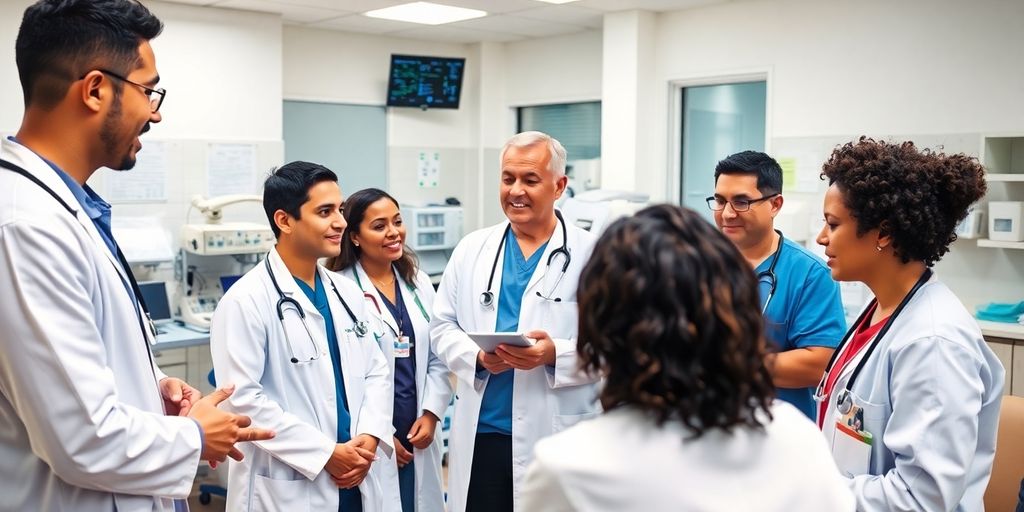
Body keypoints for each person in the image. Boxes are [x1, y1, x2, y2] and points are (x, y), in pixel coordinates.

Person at [0, 1, 274, 510]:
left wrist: (151, 388)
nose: (156, 111)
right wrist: (195, 437)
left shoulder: (65, 208)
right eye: (149, 91)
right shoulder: (26, 226)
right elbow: (82, 439)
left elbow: (73, 378)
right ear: (97, 89)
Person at [518, 204, 854, 511]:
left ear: (601, 325)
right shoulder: (795, 439)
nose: (728, 212)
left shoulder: (569, 466)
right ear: (732, 315)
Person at [815, 137, 1004, 511]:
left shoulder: (933, 342)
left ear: (883, 233)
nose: (822, 238)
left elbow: (921, 500)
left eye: (833, 224)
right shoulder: (883, 310)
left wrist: (812, 491)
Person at [431, 131, 601, 512]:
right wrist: (476, 358)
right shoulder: (472, 249)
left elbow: (620, 345)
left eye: (530, 180)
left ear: (559, 186)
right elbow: (441, 327)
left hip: (558, 436)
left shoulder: (596, 254)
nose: (516, 191)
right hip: (482, 435)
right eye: (508, 179)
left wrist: (555, 352)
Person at [210, 162, 394, 511]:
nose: (340, 221)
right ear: (284, 221)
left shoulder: (347, 292)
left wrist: (369, 438)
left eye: (339, 210)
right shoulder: (245, 301)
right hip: (290, 482)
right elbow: (243, 400)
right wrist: (325, 453)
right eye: (325, 212)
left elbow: (376, 370)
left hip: (356, 471)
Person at [328, 188, 453, 512]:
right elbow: (344, 378)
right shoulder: (339, 290)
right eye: (379, 226)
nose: (394, 232)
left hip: (418, 430)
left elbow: (438, 356)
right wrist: (380, 434)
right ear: (354, 236)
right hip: (373, 437)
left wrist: (431, 412)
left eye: (397, 221)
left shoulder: (419, 282)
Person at [710, 150, 846, 420]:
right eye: (719, 200)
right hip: (706, 428)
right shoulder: (700, 263)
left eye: (741, 202)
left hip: (776, 436)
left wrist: (724, 363)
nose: (727, 213)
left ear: (775, 204)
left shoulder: (810, 274)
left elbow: (819, 363)